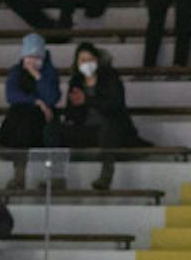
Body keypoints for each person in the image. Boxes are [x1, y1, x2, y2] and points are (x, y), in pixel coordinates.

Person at [62, 41, 144, 192]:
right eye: (82, 60)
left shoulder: (110, 77)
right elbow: (70, 112)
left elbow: (115, 105)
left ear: (97, 60)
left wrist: (87, 100)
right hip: (86, 130)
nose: (86, 63)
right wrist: (75, 108)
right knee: (54, 129)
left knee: (108, 127)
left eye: (90, 59)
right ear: (77, 62)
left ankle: (106, 176)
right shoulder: (75, 81)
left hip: (113, 130)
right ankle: (56, 178)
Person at [0, 33, 60, 192]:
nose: (32, 61)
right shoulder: (16, 71)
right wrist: (37, 101)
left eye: (36, 57)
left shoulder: (50, 72)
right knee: (22, 118)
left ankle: (50, 179)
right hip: (20, 117)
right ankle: (19, 175)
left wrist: (37, 76)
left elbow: (52, 97)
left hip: (42, 119)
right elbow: (11, 95)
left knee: (33, 123)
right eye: (29, 57)